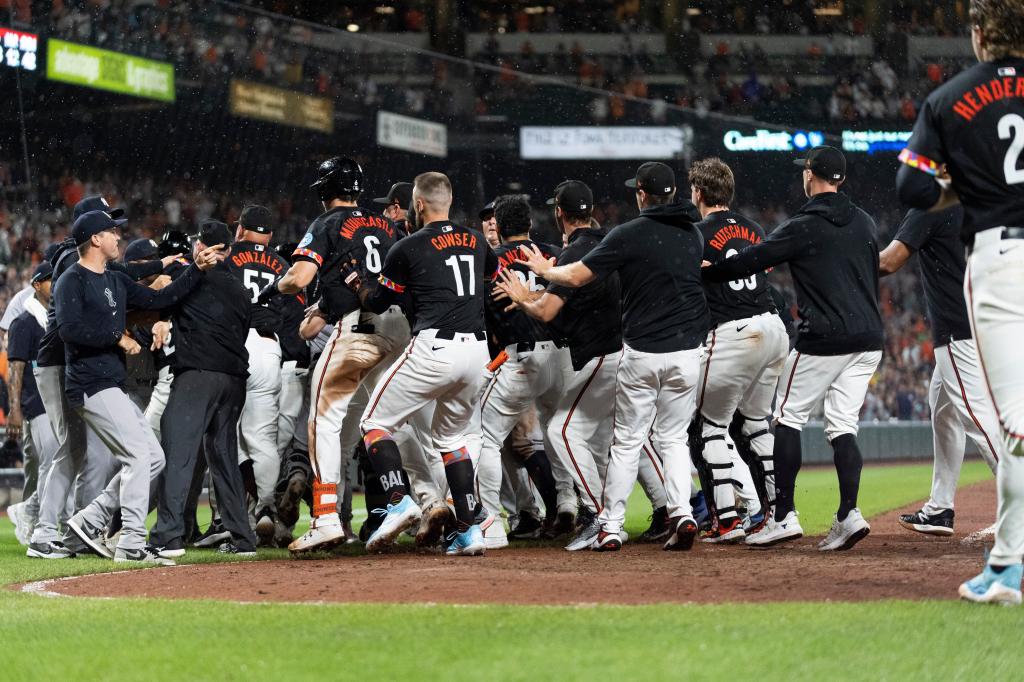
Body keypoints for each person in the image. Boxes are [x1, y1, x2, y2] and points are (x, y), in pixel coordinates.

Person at [895, 0, 1024, 604]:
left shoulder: (949, 98)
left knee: (1013, 421)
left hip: (1001, 260)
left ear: (978, 34)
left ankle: (1009, 565)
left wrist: (966, 189)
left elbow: (913, 186)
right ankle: (1004, 559)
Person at [519, 162, 710, 553]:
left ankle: (609, 525)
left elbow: (574, 277)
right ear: (673, 193)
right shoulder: (693, 234)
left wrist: (542, 270)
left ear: (641, 193)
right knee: (672, 439)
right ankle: (683, 514)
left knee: (627, 442)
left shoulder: (629, 234)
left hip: (643, 351)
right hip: (689, 351)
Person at [703, 145, 883, 552]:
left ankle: (783, 516)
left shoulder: (805, 224)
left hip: (825, 338)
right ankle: (848, 514)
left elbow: (752, 259)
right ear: (843, 180)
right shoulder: (867, 222)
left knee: (787, 418)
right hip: (869, 339)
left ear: (809, 174)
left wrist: (713, 271)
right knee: (842, 427)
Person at [259, 157, 409, 554]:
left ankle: (326, 517)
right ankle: (429, 503)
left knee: (322, 422)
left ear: (325, 191)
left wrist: (277, 286)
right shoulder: (387, 225)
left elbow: (300, 278)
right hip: (401, 329)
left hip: (360, 328)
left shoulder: (326, 223)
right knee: (394, 425)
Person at [55, 210, 222, 565]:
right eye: (112, 232)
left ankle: (91, 519)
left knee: (154, 457)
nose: (118, 237)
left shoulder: (114, 280)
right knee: (137, 456)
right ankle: (131, 541)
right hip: (88, 382)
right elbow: (69, 330)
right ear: (95, 239)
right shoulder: (72, 279)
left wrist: (196, 268)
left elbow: (161, 299)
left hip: (110, 383)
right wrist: (118, 338)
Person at [351, 171, 499, 556]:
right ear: (448, 200)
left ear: (418, 204)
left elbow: (379, 302)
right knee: (452, 440)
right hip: (477, 352)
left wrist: (359, 285)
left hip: (435, 347)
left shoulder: (410, 246)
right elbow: (491, 277)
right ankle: (469, 530)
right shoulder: (478, 240)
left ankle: (399, 501)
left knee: (374, 423)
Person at [28, 196, 168, 559]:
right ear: (89, 230)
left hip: (81, 361)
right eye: (106, 222)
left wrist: (162, 263)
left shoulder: (98, 264)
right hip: (60, 360)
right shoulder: (68, 261)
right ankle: (45, 530)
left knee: (93, 452)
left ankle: (81, 524)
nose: (114, 228)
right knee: (72, 450)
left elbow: (121, 276)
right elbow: (76, 323)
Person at [496, 179, 624, 551]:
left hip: (597, 357)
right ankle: (672, 509)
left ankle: (599, 517)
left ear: (558, 213)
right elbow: (563, 294)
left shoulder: (571, 256)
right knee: (624, 442)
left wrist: (521, 298)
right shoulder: (605, 246)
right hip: (619, 351)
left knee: (561, 433)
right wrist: (541, 284)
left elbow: (549, 309)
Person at [879, 207, 999, 536]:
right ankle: (939, 508)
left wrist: (844, 260)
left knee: (978, 419)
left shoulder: (933, 203)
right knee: (942, 406)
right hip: (989, 319)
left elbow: (889, 261)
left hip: (959, 329)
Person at [687, 158, 789, 543]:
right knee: (755, 424)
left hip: (733, 331)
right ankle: (779, 511)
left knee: (706, 426)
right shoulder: (754, 228)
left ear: (698, 192)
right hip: (773, 325)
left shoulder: (697, 233)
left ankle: (726, 519)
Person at [149, 220, 257, 558]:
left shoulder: (192, 278)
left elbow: (162, 300)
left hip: (197, 376)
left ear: (202, 247)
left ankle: (167, 538)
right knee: (223, 457)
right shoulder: (239, 287)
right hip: (234, 380)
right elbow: (242, 329)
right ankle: (243, 538)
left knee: (179, 454)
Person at [477, 194, 567, 549]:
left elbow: (483, 316)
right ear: (530, 223)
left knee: (485, 437)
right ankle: (572, 507)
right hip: (560, 358)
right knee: (560, 434)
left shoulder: (490, 263)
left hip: (518, 359)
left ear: (499, 225)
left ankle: (490, 522)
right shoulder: (548, 253)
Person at [225, 205, 289, 543]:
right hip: (268, 347)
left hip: (233, 344)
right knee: (263, 438)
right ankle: (265, 509)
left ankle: (232, 517)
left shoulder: (227, 255)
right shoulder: (282, 263)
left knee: (225, 434)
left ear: (240, 230)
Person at [5, 262, 57, 545]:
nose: (55, 284)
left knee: (56, 463)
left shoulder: (54, 318)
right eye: (50, 280)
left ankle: (30, 511)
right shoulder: (24, 321)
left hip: (57, 402)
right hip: (36, 404)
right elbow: (15, 368)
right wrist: (15, 410)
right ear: (36, 285)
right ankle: (38, 523)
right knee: (50, 464)